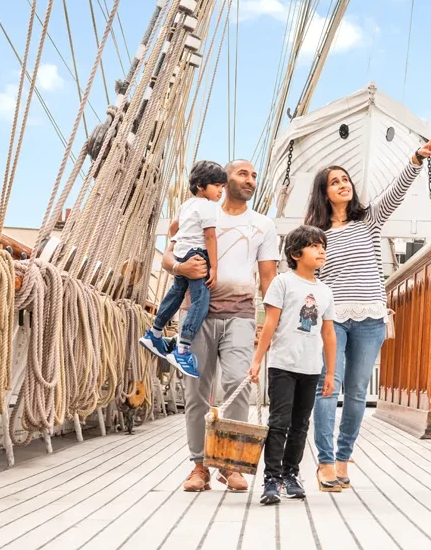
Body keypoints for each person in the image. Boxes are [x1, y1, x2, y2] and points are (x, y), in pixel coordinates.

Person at [304, 132, 431, 488]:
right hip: (332, 321)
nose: (343, 185)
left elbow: (396, 191)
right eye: (335, 182)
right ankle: (324, 462)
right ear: (324, 192)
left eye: (345, 179)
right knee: (327, 388)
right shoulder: (314, 234)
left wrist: (417, 158)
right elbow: (306, 281)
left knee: (358, 393)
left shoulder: (368, 221)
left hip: (370, 320)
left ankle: (344, 457)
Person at [161, 160, 279, 493]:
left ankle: (231, 464)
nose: (251, 180)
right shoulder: (198, 211)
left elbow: (267, 278)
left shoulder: (263, 225)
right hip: (196, 314)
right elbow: (167, 258)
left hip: (241, 314)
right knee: (196, 390)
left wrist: (271, 320)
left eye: (255, 175)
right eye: (243, 174)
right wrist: (181, 268)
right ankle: (199, 465)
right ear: (222, 181)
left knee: (237, 384)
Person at [249, 226, 337, 504]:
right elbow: (270, 323)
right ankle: (271, 478)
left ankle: (291, 474)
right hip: (283, 365)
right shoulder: (282, 283)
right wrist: (257, 359)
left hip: (311, 368)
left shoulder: (325, 291)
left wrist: (331, 372)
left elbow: (329, 333)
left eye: (322, 245)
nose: (321, 250)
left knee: (300, 425)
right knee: (279, 423)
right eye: (313, 246)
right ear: (295, 254)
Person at [140, 160, 227, 378]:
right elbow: (210, 236)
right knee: (200, 302)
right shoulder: (208, 207)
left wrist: (181, 242)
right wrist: (214, 267)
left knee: (176, 293)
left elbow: (172, 228)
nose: (220, 191)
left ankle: (155, 333)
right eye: (217, 186)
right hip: (197, 254)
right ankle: (183, 348)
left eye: (222, 187)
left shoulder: (186, 205)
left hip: (181, 251)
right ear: (201, 185)